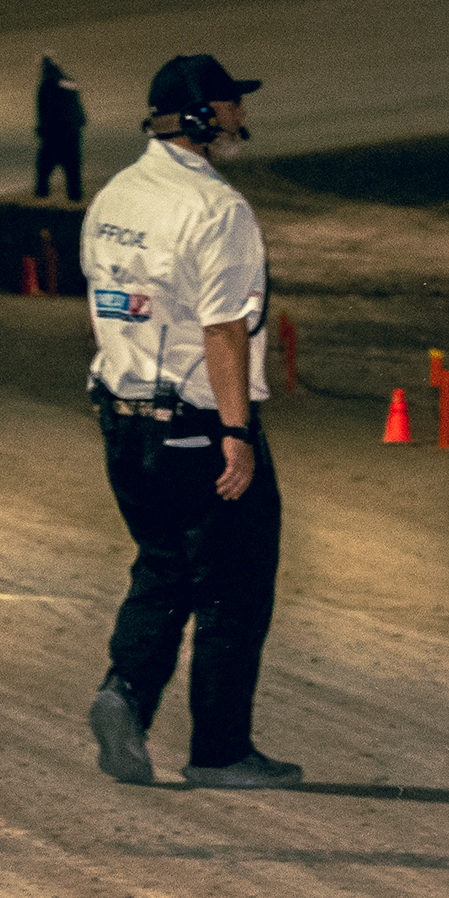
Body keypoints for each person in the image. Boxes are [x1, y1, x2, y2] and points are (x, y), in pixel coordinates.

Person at [80, 54, 298, 790]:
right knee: (235, 584)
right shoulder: (216, 209)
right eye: (232, 105)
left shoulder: (115, 195)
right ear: (203, 118)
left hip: (122, 414)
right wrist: (236, 435)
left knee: (162, 564)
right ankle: (220, 749)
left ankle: (126, 693)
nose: (240, 117)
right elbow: (223, 330)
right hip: (199, 422)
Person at [35, 54, 86, 203]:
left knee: (43, 175)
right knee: (73, 177)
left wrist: (44, 130)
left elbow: (46, 111)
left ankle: (41, 207)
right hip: (72, 137)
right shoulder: (69, 82)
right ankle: (76, 210)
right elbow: (78, 109)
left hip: (53, 138)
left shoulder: (47, 85)